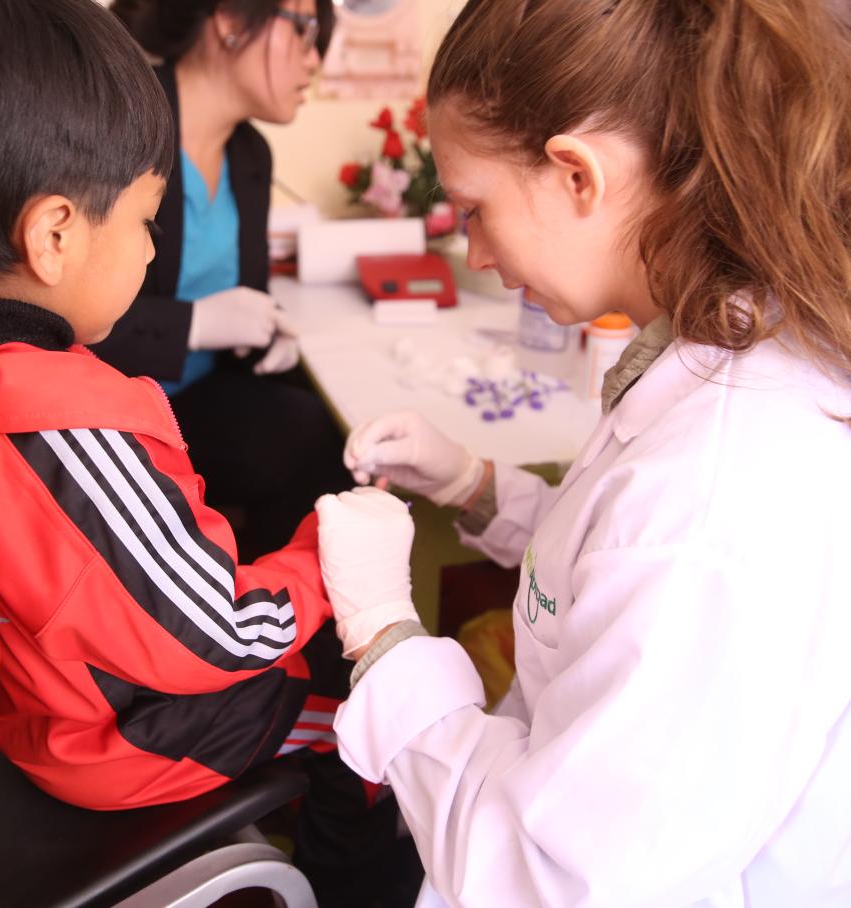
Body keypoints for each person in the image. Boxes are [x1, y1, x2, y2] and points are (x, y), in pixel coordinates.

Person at [0, 2, 411, 902]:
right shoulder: (67, 433)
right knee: (365, 722)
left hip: (20, 684)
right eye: (145, 222)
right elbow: (224, 631)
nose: (153, 246)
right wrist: (332, 560)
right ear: (52, 237)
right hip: (104, 741)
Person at [313, 0, 851, 905]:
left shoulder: (709, 498)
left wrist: (386, 638)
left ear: (576, 175)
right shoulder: (727, 342)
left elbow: (544, 880)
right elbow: (612, 573)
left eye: (475, 209)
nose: (473, 250)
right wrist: (479, 487)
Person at [92, 0, 350, 561]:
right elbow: (64, 317)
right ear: (231, 21)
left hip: (203, 394)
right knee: (306, 438)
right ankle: (268, 622)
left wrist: (261, 330)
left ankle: (276, 612)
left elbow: (245, 292)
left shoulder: (250, 154)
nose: (313, 62)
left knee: (334, 418)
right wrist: (196, 324)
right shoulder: (120, 126)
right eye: (305, 33)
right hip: (120, 407)